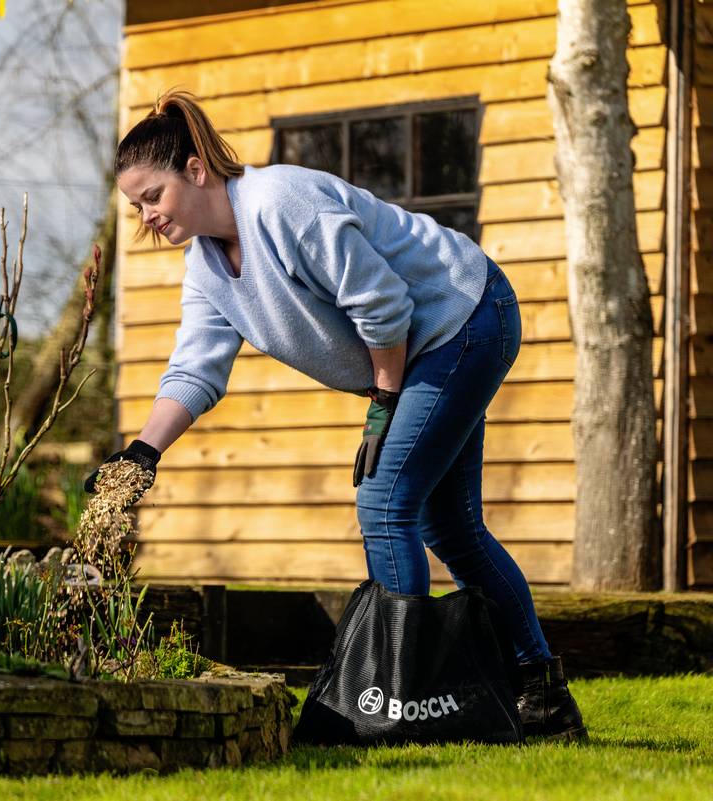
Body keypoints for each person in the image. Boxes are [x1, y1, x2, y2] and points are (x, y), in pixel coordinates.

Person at [85, 90, 586, 741]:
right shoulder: (206, 267)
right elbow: (195, 369)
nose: (147, 216)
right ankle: (541, 697)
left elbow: (381, 303)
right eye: (136, 207)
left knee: (385, 502)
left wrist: (383, 404)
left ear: (196, 169)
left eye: (153, 196)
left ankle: (400, 703)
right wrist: (142, 453)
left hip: (464, 315)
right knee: (450, 526)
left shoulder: (280, 203)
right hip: (420, 350)